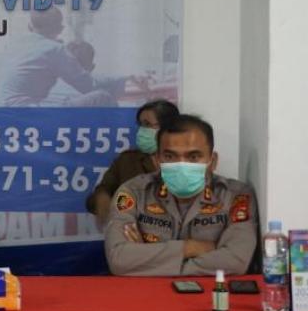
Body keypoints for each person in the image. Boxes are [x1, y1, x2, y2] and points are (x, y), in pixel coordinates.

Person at [104, 115, 258, 276]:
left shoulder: (236, 196)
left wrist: (147, 260)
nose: (181, 165)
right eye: (170, 156)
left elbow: (235, 261)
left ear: (212, 161)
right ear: (157, 161)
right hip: (147, 291)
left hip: (210, 290)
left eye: (193, 157)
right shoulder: (132, 192)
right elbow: (119, 259)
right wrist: (190, 248)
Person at [2, 8, 127, 107]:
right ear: (59, 29)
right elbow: (88, 85)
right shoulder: (54, 49)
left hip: (3, 110)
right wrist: (121, 80)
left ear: (30, 27)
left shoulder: (14, 45)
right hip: (30, 112)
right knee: (103, 97)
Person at [85, 99, 180, 224]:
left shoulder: (186, 161)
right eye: (140, 124)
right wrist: (103, 201)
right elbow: (100, 193)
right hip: (133, 232)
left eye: (147, 124)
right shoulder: (127, 160)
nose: (142, 130)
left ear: (168, 128)